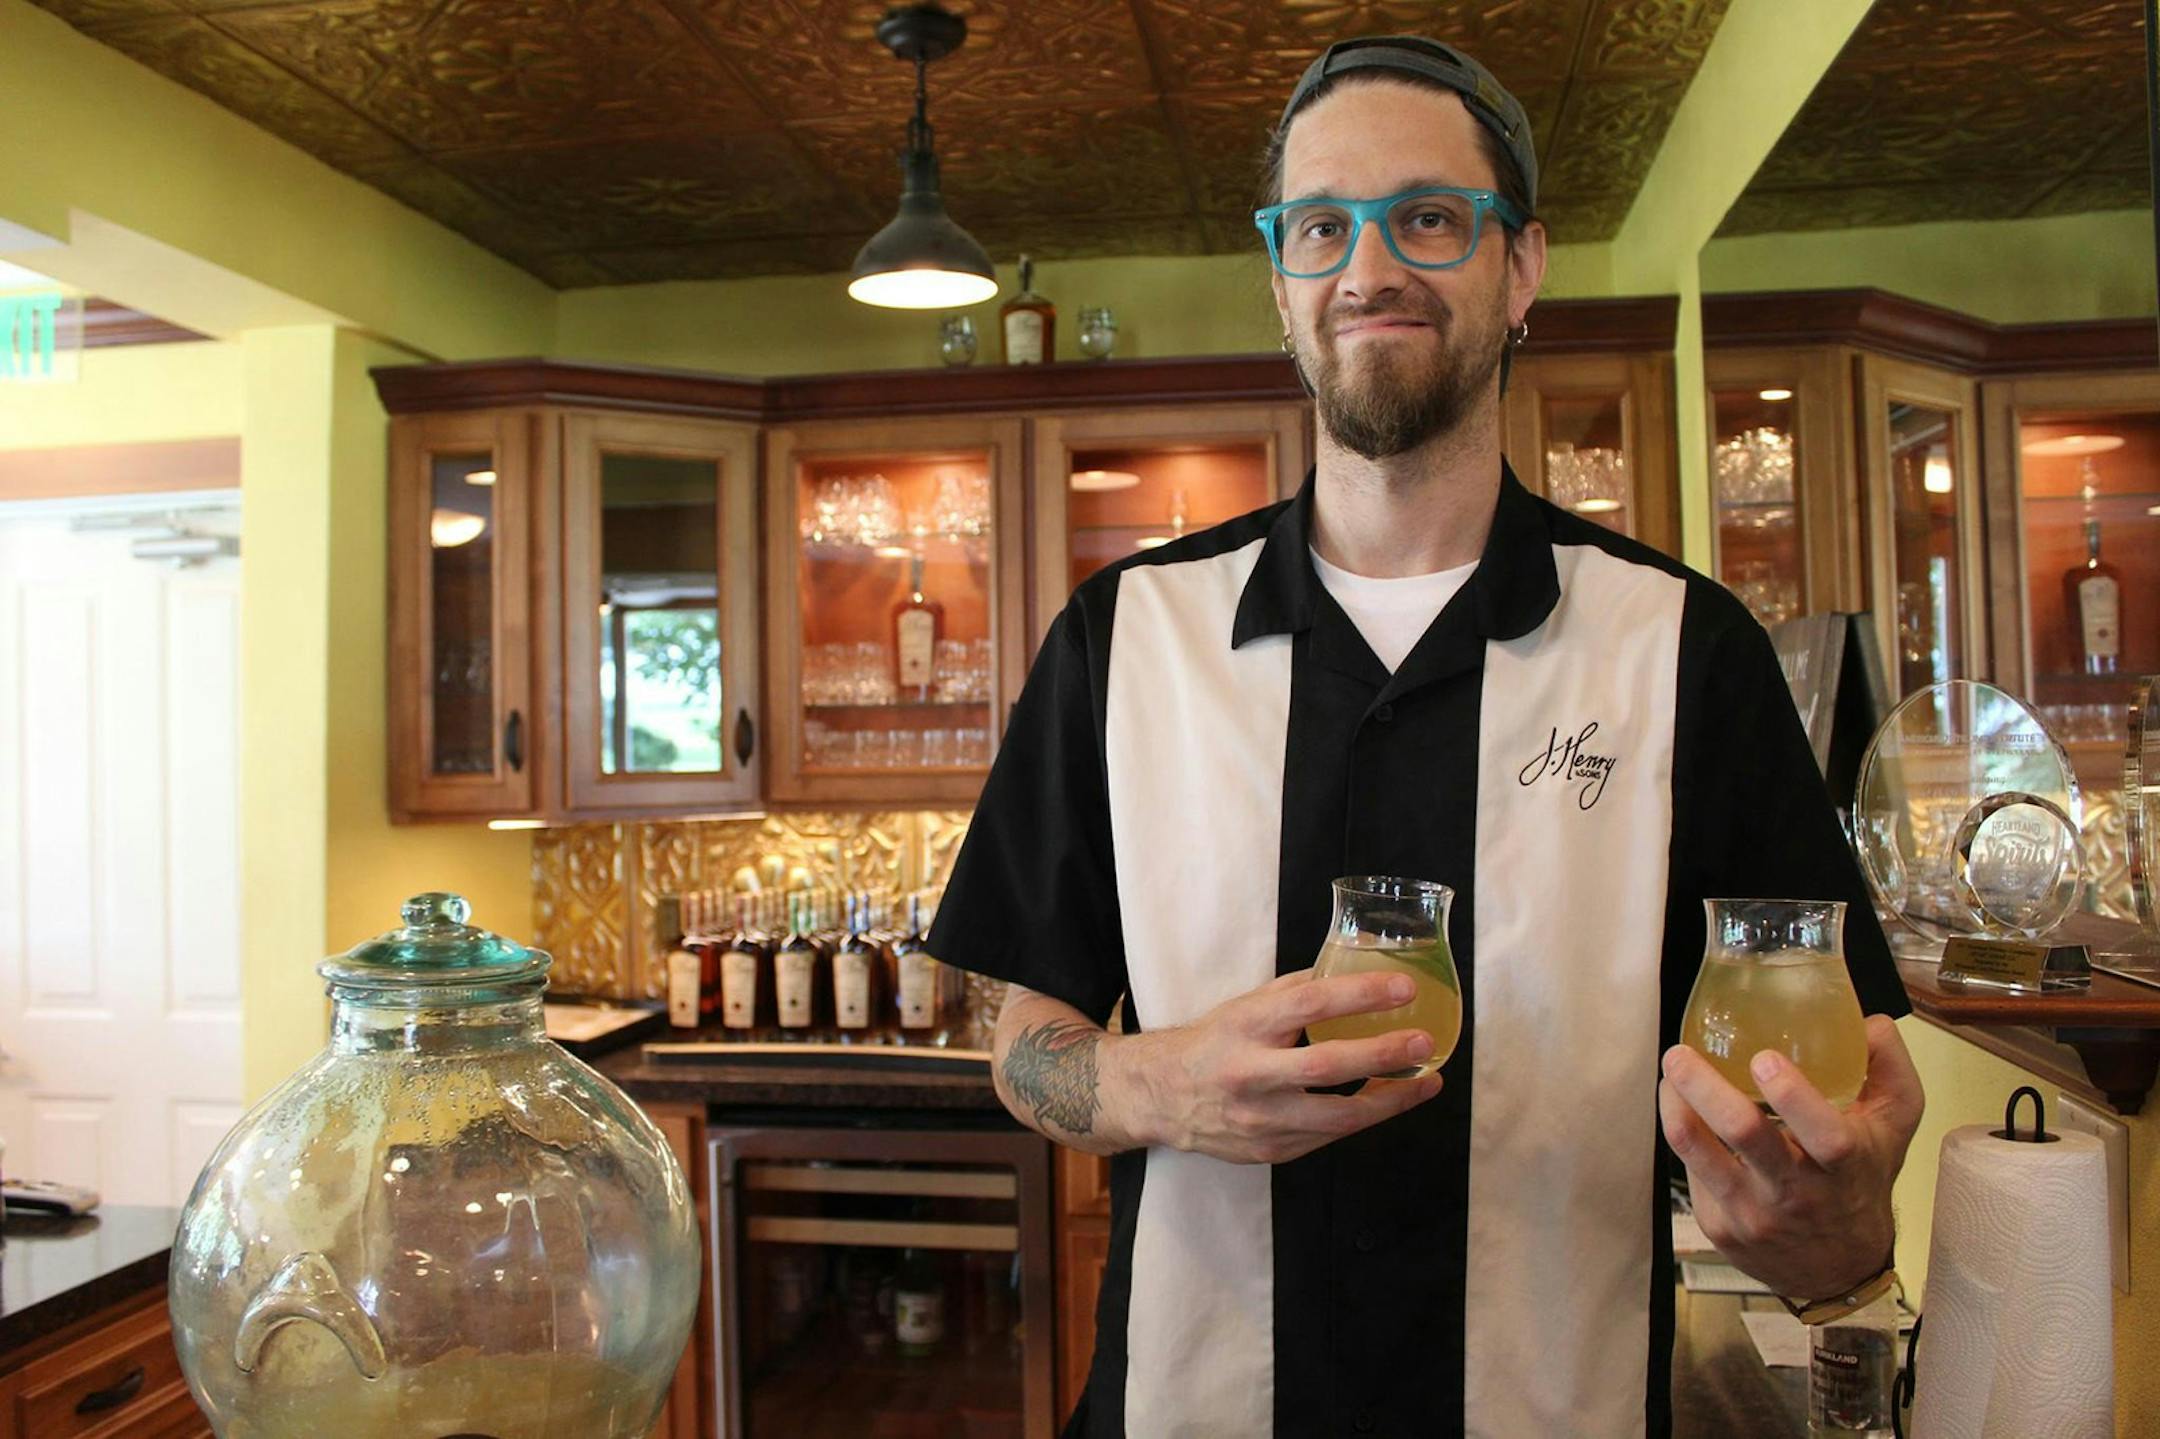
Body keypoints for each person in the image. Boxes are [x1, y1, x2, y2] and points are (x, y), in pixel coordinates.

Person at [927, 34, 1924, 1439]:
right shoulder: (1123, 640)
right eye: (1322, 226)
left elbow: (1833, 1091)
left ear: (1521, 270)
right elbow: (1024, 1043)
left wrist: (1831, 1227)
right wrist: (1163, 1083)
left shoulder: (1687, 657)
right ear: (1281, 279)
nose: (1368, 267)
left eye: (1429, 218)